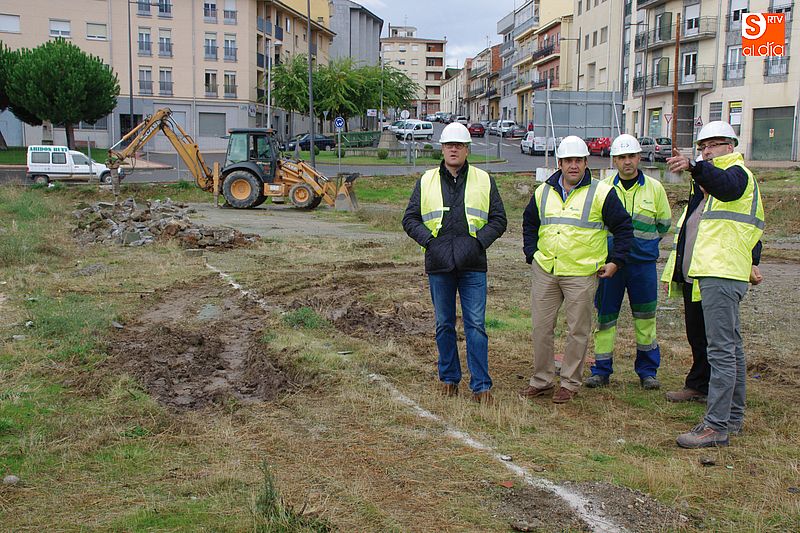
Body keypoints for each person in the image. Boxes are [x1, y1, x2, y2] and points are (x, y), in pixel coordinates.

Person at [665, 121, 764, 448]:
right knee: (731, 349)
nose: (707, 151)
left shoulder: (736, 175)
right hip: (715, 272)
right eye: (702, 146)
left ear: (731, 146)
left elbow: (727, 186)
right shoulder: (712, 184)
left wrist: (695, 167)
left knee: (721, 351)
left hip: (722, 273)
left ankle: (715, 425)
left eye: (714, 145)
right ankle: (731, 419)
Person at [520, 136, 633, 404]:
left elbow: (624, 229)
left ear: (586, 163)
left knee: (577, 330)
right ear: (559, 164)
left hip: (582, 273)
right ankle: (542, 380)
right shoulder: (543, 191)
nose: (573, 166)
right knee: (541, 328)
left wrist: (616, 261)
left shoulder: (601, 192)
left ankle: (569, 382)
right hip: (546, 269)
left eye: (578, 161)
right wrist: (532, 254)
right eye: (568, 161)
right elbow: (529, 224)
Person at [402, 122, 507, 404]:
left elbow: (499, 219)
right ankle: (449, 379)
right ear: (442, 148)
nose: (453, 150)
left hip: (473, 264)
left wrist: (477, 242)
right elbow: (409, 219)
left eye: (459, 145)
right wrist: (430, 241)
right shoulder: (426, 181)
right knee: (444, 325)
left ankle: (481, 385)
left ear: (467, 149)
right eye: (449, 145)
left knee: (476, 326)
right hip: (439, 264)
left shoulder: (484, 180)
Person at [585, 134, 672, 390]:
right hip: (610, 266)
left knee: (645, 318)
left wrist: (645, 246)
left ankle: (647, 371)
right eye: (621, 157)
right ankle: (601, 370)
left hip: (642, 265)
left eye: (631, 156)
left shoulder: (655, 188)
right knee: (605, 317)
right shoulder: (603, 187)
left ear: (639, 157)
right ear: (614, 160)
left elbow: (663, 224)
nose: (627, 162)